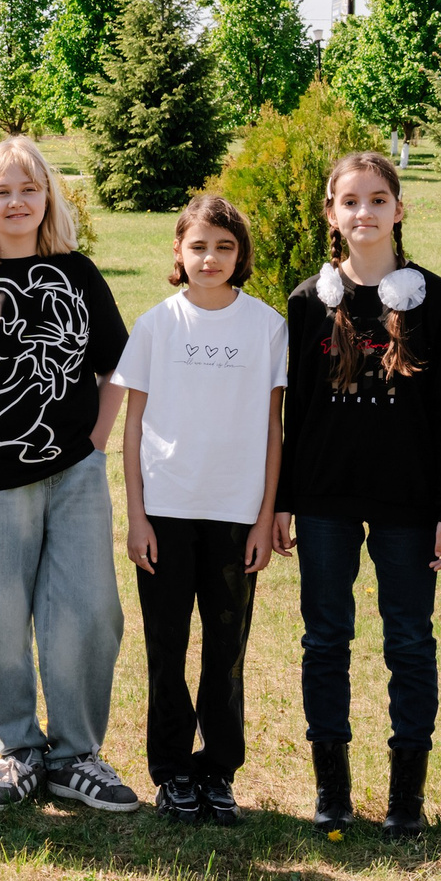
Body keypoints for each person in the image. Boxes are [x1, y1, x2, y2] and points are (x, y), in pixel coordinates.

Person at [274, 151, 441, 838]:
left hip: (409, 504)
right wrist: (284, 500)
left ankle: (405, 799)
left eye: (378, 199)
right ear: (331, 214)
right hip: (324, 500)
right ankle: (331, 791)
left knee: (410, 641)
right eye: (350, 201)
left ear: (399, 208)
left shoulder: (437, 301)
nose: (365, 212)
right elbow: (295, 412)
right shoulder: (308, 301)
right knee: (325, 638)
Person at [0, 136, 138, 815]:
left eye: (29, 188)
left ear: (48, 197)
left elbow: (118, 368)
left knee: (91, 612)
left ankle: (75, 755)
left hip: (75, 475)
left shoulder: (78, 274)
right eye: (2, 191)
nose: (17, 202)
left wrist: (95, 442)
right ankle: (19, 750)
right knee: (3, 623)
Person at [110, 196, 286, 826]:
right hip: (165, 510)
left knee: (226, 650)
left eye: (224, 247)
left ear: (240, 255)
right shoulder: (157, 324)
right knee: (166, 647)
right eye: (199, 246)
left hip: (235, 515)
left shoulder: (266, 326)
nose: (210, 258)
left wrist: (265, 517)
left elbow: (274, 429)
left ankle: (217, 769)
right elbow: (132, 428)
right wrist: (136, 516)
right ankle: (172, 771)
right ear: (179, 253)